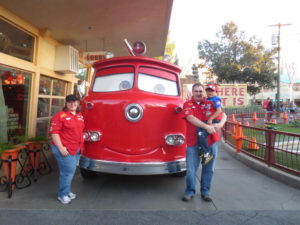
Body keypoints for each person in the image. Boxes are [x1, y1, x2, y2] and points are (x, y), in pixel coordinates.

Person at [182, 83, 227, 202]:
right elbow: (190, 118)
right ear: (192, 92)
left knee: (209, 168)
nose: (198, 93)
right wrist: (206, 126)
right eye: (196, 91)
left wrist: (220, 124)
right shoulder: (187, 104)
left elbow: (224, 114)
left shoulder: (210, 102)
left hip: (210, 141)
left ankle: (205, 191)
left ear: (204, 92)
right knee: (191, 169)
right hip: (193, 142)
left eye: (200, 91)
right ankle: (190, 191)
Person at [49, 94, 84, 204]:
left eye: (75, 102)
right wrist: (61, 148)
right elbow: (54, 133)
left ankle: (67, 191)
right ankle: (62, 194)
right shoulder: (60, 116)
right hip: (64, 149)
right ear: (66, 103)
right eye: (70, 102)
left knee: (70, 172)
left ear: (78, 103)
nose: (72, 104)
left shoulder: (79, 116)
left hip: (76, 148)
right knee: (67, 172)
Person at [196, 84, 222, 165]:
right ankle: (202, 151)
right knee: (198, 133)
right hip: (207, 121)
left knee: (202, 134)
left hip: (214, 121)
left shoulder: (216, 99)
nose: (210, 92)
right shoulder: (207, 99)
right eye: (208, 90)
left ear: (216, 92)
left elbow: (219, 111)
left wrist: (211, 118)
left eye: (212, 91)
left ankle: (206, 152)